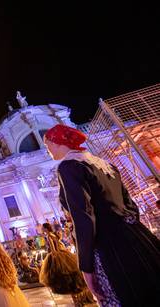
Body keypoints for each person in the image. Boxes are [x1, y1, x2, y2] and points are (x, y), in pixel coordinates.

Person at [44, 124, 160, 306]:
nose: (47, 150)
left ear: (58, 142)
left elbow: (83, 217)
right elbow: (131, 206)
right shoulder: (107, 165)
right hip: (139, 238)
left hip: (109, 247)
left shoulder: (68, 167)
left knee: (121, 296)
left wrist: (86, 267)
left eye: (47, 144)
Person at [40, 223, 95, 307]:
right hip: (63, 253)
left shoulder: (49, 236)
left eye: (42, 228)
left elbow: (54, 250)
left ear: (45, 228)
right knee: (71, 278)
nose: (41, 229)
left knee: (63, 280)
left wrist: (55, 259)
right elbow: (60, 245)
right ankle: (78, 300)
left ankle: (76, 301)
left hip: (56, 256)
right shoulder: (53, 234)